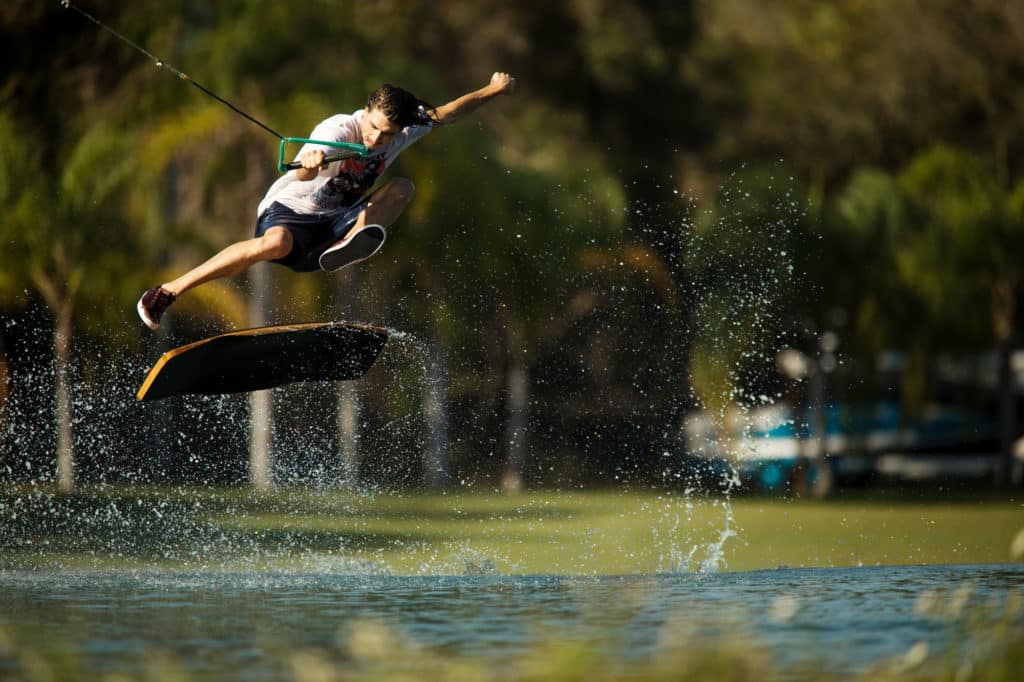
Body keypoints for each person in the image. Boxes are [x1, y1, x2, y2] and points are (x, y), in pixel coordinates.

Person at [137, 72, 516, 330]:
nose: (374, 140)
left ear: (400, 130)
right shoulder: (337, 130)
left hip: (337, 220)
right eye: (372, 128)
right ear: (364, 111)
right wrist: (311, 163)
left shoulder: (402, 131)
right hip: (292, 213)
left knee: (402, 189)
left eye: (386, 135)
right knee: (276, 244)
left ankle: (354, 241)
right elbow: (302, 172)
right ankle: (168, 290)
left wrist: (493, 90)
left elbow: (448, 112)